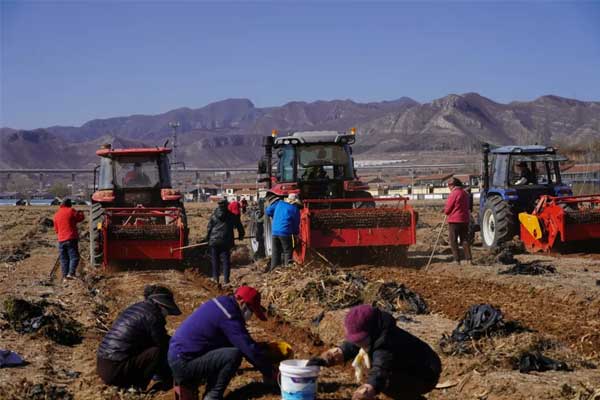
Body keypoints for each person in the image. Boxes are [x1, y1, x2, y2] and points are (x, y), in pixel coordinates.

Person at [308, 305, 441, 400]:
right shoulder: (373, 333)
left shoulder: (386, 344)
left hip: (425, 373)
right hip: (411, 365)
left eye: (360, 339)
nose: (357, 343)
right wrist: (327, 359)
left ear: (371, 331)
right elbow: (352, 346)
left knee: (387, 382)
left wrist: (368, 390)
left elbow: (380, 371)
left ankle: (411, 396)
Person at [168, 286, 275, 400]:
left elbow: (238, 340)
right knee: (233, 355)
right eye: (251, 310)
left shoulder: (223, 303)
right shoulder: (229, 315)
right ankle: (212, 396)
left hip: (179, 355)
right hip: (184, 362)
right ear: (242, 302)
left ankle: (189, 383)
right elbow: (246, 348)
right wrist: (270, 371)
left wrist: (257, 347)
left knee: (229, 347)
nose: (250, 315)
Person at [97, 285, 182, 391]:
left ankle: (156, 377)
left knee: (150, 347)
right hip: (115, 369)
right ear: (161, 305)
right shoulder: (153, 316)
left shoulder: (138, 307)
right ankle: (137, 387)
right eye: (167, 311)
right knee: (156, 351)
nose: (167, 315)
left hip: (103, 364)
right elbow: (162, 344)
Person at [206, 199, 245, 285]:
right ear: (227, 206)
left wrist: (207, 239)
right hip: (226, 241)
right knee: (226, 260)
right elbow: (239, 225)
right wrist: (241, 235)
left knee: (215, 260)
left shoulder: (214, 215)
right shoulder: (231, 216)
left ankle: (215, 279)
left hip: (214, 241)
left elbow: (209, 228)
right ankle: (226, 280)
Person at [265, 193, 302, 271]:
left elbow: (268, 211)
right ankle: (287, 270)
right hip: (285, 232)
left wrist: (275, 215)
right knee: (287, 251)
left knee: (275, 252)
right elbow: (296, 224)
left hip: (275, 232)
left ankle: (274, 270)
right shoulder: (295, 209)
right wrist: (296, 234)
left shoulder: (279, 203)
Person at [53, 198, 85, 280]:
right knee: (74, 257)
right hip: (71, 238)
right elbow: (80, 218)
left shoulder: (56, 214)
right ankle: (71, 273)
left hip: (61, 239)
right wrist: (81, 213)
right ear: (69, 204)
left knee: (64, 258)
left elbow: (56, 229)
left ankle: (64, 276)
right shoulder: (71, 211)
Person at [444, 177, 472, 265]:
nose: (449, 187)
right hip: (465, 219)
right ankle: (469, 260)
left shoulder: (454, 193)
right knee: (465, 239)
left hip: (454, 220)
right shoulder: (465, 193)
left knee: (453, 240)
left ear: (453, 185)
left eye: (449, 185)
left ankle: (457, 260)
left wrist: (446, 211)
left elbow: (448, 208)